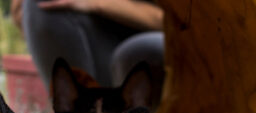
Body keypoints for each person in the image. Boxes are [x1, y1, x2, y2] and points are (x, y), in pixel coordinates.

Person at [11, 0, 164, 89]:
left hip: (161, 41)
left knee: (135, 52)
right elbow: (20, 16)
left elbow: (179, 23)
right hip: (99, 49)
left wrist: (98, 4)